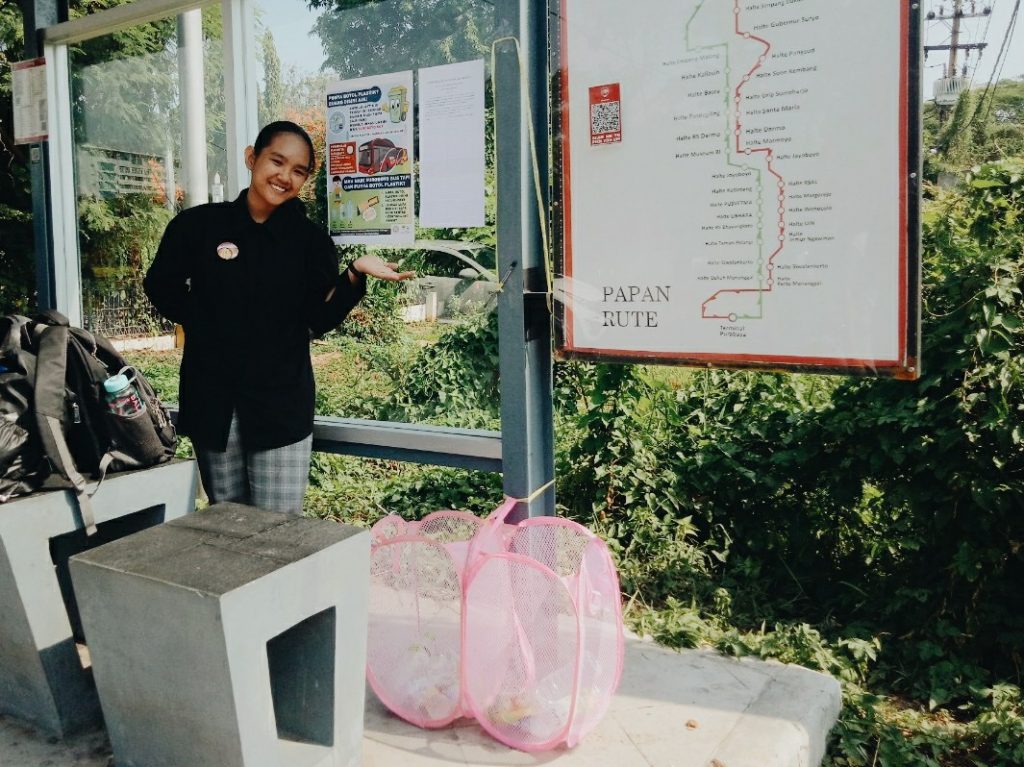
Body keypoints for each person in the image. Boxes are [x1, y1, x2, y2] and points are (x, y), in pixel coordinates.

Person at [144, 120, 413, 514]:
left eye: (298, 171)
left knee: (280, 530)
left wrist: (354, 273)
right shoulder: (198, 226)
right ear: (252, 158)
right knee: (227, 524)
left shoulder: (310, 241)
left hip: (280, 403)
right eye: (277, 161)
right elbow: (160, 285)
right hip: (213, 400)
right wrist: (205, 322)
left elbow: (317, 317)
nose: (285, 176)